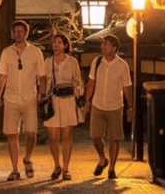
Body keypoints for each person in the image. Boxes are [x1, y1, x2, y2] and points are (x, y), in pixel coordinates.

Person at [0, 20, 45, 181]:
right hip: (11, 97)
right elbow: (2, 75)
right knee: (12, 134)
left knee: (31, 133)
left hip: (30, 97)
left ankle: (27, 159)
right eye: (15, 31)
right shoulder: (6, 52)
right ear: (12, 33)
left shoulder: (35, 52)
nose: (18, 34)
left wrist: (42, 93)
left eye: (21, 31)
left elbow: (42, 75)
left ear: (26, 33)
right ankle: (15, 169)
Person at [83, 35, 134, 180]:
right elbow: (91, 82)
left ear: (114, 48)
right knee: (95, 135)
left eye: (106, 44)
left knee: (114, 138)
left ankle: (111, 168)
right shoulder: (97, 61)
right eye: (103, 44)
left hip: (115, 105)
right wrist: (87, 100)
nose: (103, 47)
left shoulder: (122, 65)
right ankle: (102, 158)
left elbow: (127, 87)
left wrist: (130, 106)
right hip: (98, 104)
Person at [41, 32, 83, 181]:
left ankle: (65, 169)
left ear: (65, 45)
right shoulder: (48, 61)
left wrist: (73, 87)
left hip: (68, 100)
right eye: (54, 42)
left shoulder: (72, 62)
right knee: (53, 137)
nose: (56, 45)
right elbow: (43, 79)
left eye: (59, 42)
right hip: (53, 100)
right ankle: (56, 165)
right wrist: (42, 94)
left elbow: (78, 81)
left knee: (67, 136)